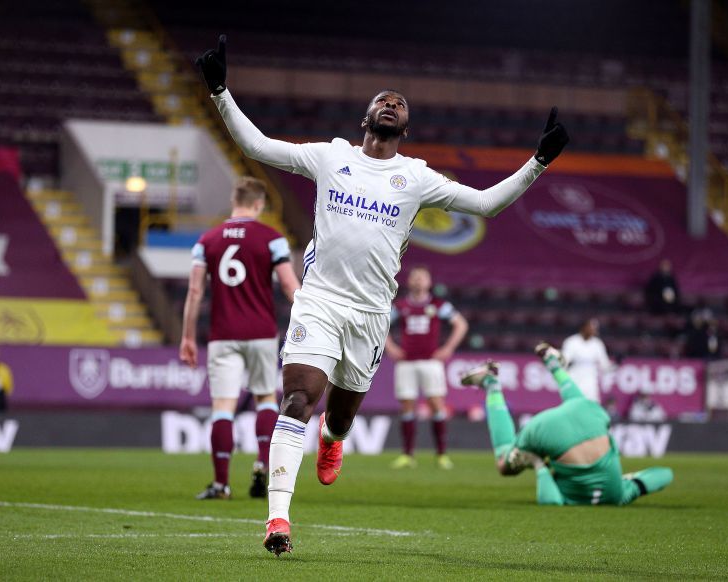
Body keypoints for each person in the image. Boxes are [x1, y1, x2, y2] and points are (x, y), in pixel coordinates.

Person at [195, 35, 568, 555]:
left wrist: (539, 162)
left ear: (405, 128)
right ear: (365, 117)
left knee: (340, 417)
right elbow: (257, 146)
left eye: (400, 104)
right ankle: (277, 520)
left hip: (371, 315)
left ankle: (333, 438)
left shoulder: (414, 177)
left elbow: (485, 205)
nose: (391, 104)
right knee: (297, 398)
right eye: (383, 100)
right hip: (319, 301)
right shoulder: (330, 157)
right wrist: (220, 90)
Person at [179, 176, 300, 501]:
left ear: (235, 201)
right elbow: (290, 287)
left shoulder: (207, 240)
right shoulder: (272, 239)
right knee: (264, 398)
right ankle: (263, 464)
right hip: (261, 332)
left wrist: (187, 336)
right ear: (259, 203)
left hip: (222, 334)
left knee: (223, 407)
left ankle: (221, 485)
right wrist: (310, 319)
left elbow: (194, 290)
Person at [460, 343, 673, 506]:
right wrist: (537, 463)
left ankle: (553, 363)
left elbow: (664, 474)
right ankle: (491, 384)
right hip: (549, 432)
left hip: (591, 415)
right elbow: (551, 501)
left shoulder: (620, 495)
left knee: (577, 404)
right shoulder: (595, 499)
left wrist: (630, 481)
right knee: (504, 462)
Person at [385, 266, 468, 470]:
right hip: (406, 362)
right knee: (407, 406)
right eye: (415, 277)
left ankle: (441, 454)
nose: (418, 281)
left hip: (431, 362)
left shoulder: (438, 305)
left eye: (422, 278)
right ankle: (407, 455)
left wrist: (448, 348)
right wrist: (391, 348)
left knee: (436, 404)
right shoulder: (401, 306)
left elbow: (461, 324)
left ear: (429, 282)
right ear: (409, 281)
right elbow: (380, 325)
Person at [561, 317, 611, 403]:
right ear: (583, 327)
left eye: (595, 327)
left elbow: (605, 365)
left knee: (592, 406)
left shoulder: (597, 344)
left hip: (590, 381)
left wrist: (613, 367)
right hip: (575, 379)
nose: (594, 329)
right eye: (591, 326)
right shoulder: (572, 342)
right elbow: (564, 361)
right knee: (573, 405)